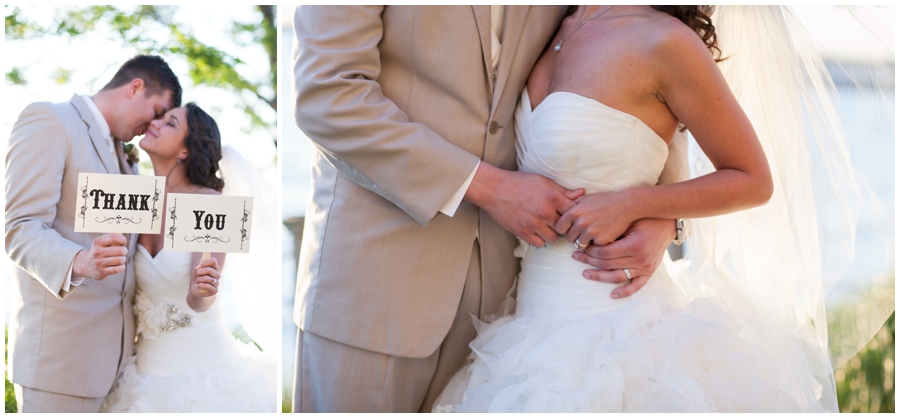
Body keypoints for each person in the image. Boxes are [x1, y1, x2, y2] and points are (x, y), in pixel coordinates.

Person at [432, 5, 885, 412]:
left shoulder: (664, 41)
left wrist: (634, 205)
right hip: (524, 331)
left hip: (620, 330)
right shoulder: (552, 24)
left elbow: (751, 177)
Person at [292, 6, 692, 412]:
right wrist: (488, 186)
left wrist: (665, 214)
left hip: (512, 314)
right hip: (376, 283)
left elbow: (644, 79)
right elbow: (327, 95)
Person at [5, 55, 181, 413]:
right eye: (157, 110)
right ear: (136, 87)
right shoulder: (51, 120)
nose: (152, 126)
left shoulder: (127, 157)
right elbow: (18, 227)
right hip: (60, 364)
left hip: (117, 369)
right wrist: (81, 260)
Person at [100, 104, 277, 412]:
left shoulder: (210, 204)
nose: (154, 124)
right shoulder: (137, 200)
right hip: (142, 374)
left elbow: (201, 300)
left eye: (169, 123)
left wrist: (200, 290)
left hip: (202, 375)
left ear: (185, 151)